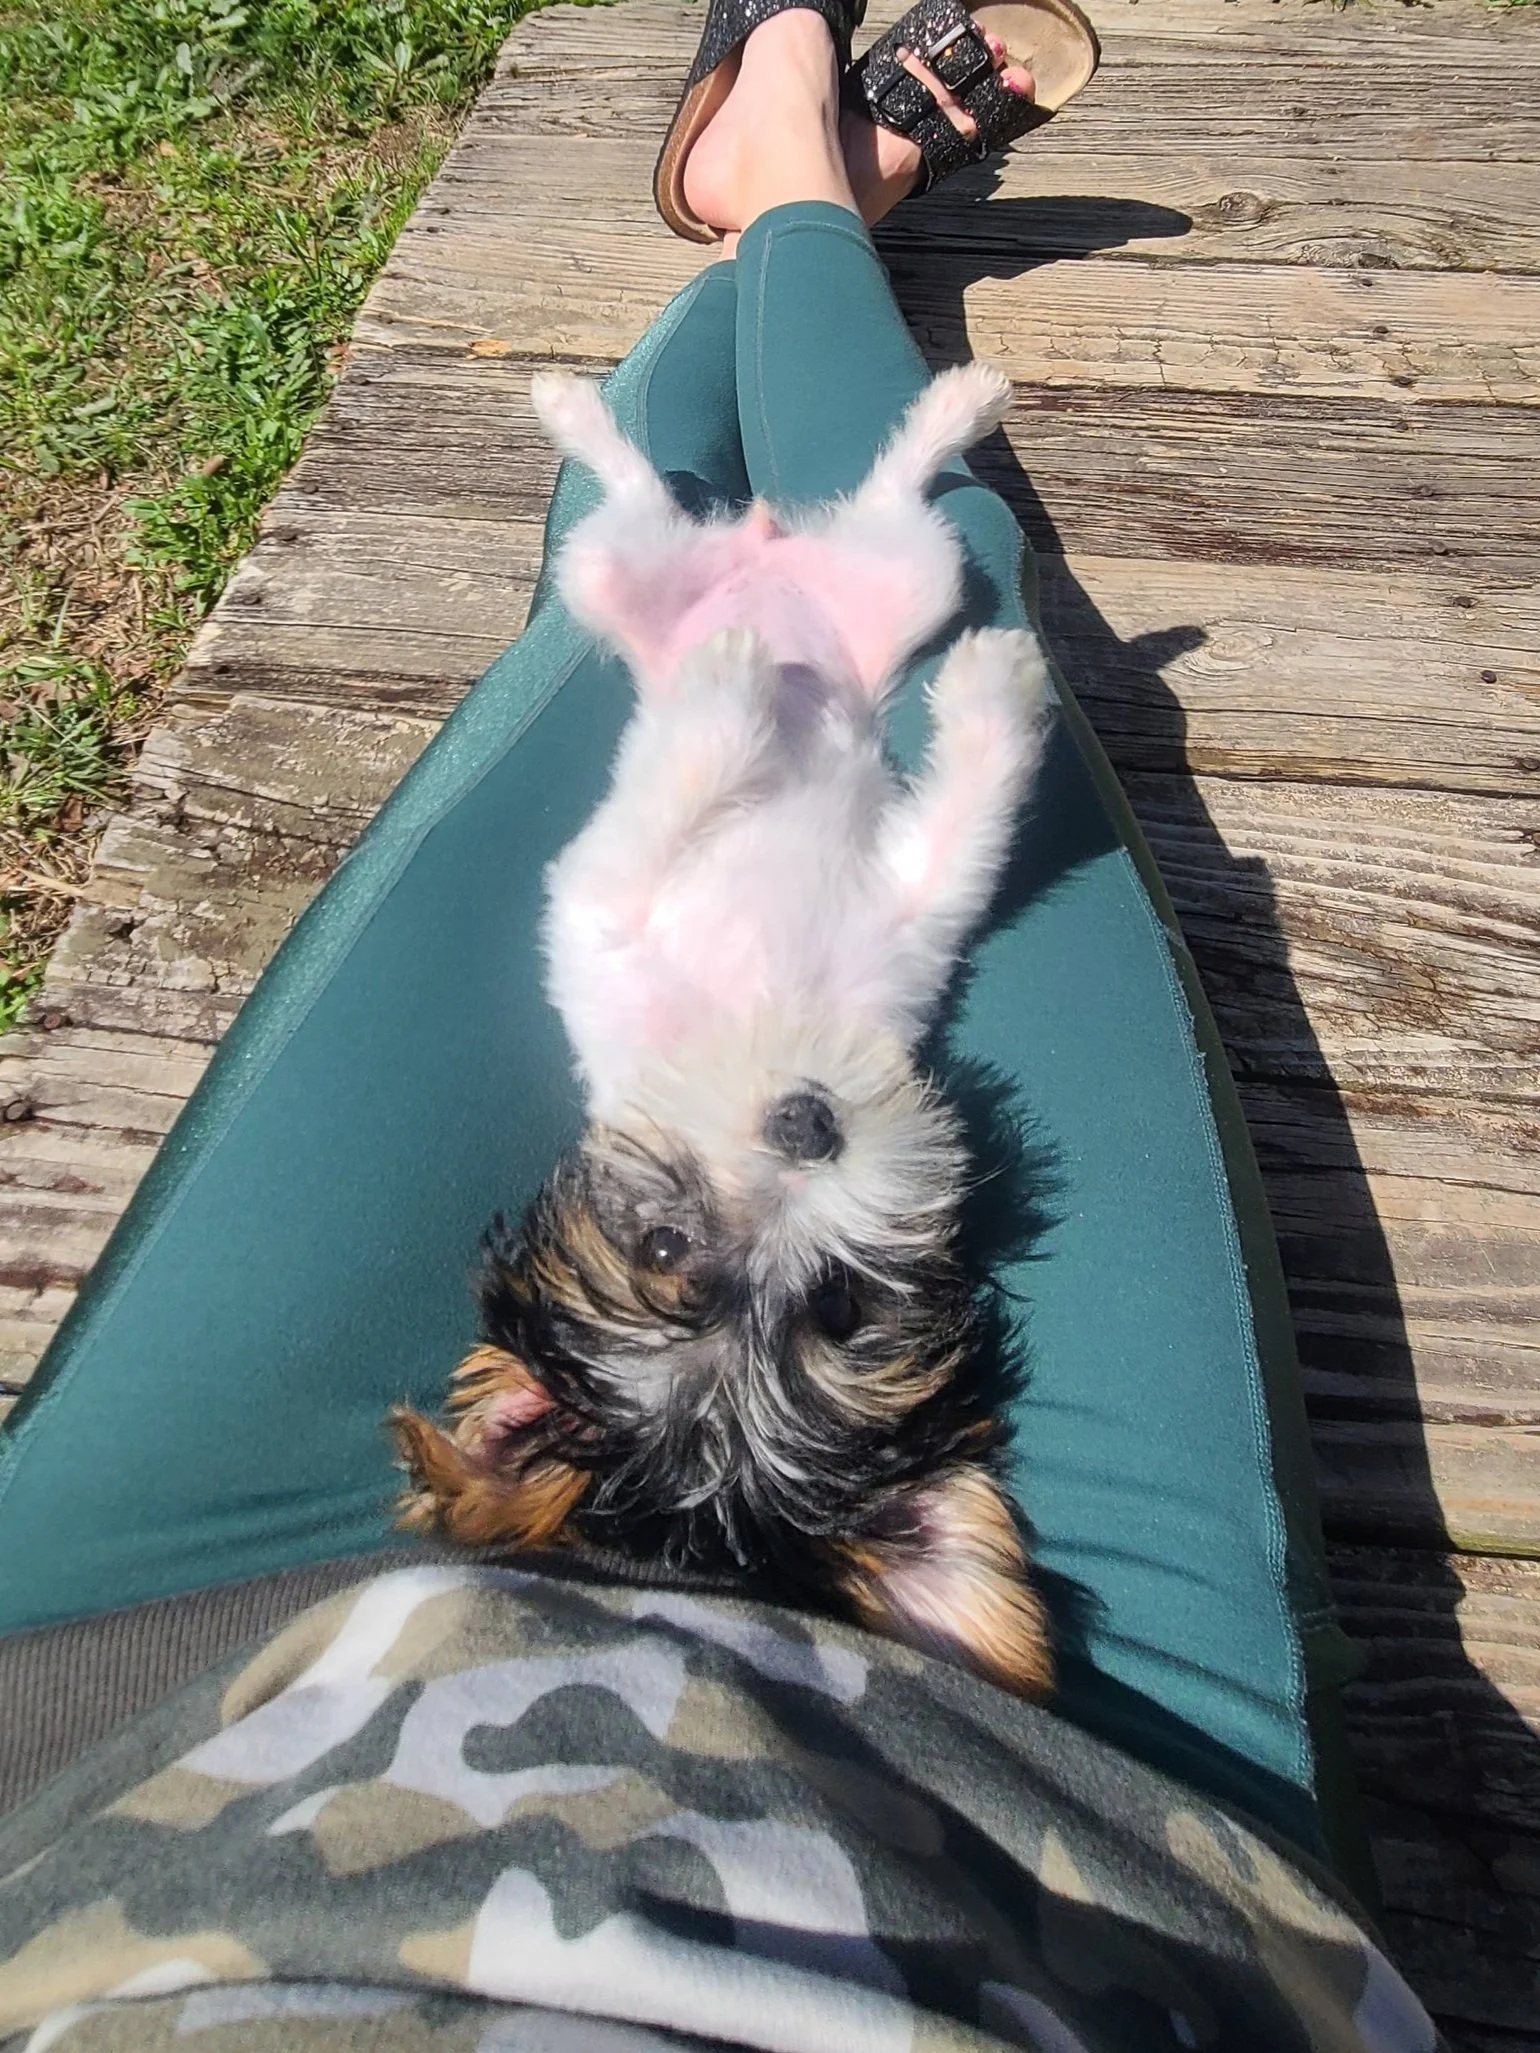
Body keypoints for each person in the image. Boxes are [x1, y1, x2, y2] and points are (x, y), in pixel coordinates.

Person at [0, 4, 1439, 2046]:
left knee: (625, 638)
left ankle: (777, 185)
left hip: (117, 1724)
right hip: (1097, 1858)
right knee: (935, 616)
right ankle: (789, 189)